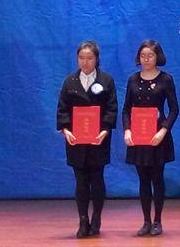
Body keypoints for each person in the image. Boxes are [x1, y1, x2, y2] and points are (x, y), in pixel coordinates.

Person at [56, 40, 118, 239]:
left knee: (97, 179)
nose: (85, 62)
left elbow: (112, 108)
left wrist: (105, 129)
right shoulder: (70, 82)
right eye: (81, 58)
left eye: (89, 58)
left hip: (98, 139)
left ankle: (96, 218)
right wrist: (66, 130)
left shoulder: (106, 80)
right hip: (76, 140)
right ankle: (83, 220)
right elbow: (62, 109)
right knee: (81, 181)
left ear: (97, 59)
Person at [121, 39, 179, 237]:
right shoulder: (132, 80)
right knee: (143, 180)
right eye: (143, 56)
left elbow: (174, 109)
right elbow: (126, 110)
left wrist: (163, 130)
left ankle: (157, 221)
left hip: (157, 136)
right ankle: (146, 221)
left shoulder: (166, 79)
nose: (146, 59)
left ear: (157, 57)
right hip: (138, 136)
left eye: (150, 55)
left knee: (157, 178)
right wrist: (127, 130)